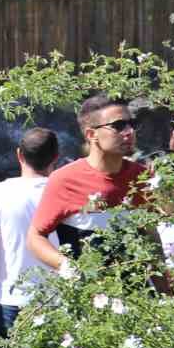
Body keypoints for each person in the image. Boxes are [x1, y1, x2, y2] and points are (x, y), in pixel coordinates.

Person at [28, 95, 145, 270]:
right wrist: (69, 269)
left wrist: (165, 289)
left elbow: (149, 234)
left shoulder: (142, 176)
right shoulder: (65, 180)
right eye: (118, 126)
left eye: (132, 124)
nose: (129, 132)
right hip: (88, 294)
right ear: (91, 134)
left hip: (138, 293)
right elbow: (34, 237)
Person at [0, 129, 61, 338]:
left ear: (19, 155)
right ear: (56, 158)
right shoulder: (64, 192)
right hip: (58, 297)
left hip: (10, 296)